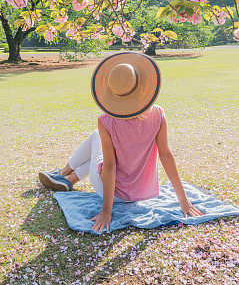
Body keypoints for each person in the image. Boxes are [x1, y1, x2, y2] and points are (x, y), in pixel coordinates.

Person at [38, 52, 204, 233]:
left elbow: (109, 166)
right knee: (99, 149)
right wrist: (183, 200)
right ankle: (69, 179)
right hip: (139, 194)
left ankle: (63, 173)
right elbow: (166, 156)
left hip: (111, 192)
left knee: (96, 137)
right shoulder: (158, 114)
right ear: (141, 85)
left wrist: (106, 212)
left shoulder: (106, 120)